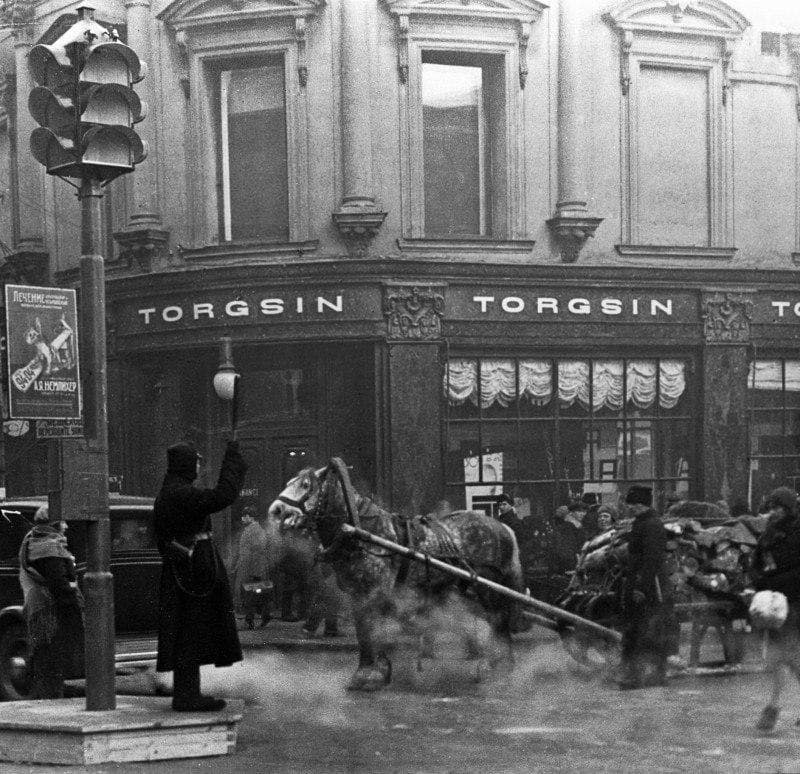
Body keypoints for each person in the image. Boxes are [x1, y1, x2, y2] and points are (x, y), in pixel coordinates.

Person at [154, 440, 247, 712]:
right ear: (184, 464)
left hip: (186, 570)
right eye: (195, 461)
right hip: (193, 573)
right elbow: (223, 496)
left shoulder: (170, 492)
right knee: (191, 632)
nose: (197, 466)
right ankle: (187, 696)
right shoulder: (180, 493)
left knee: (188, 633)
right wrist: (232, 460)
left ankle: (188, 694)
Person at [18, 504, 85, 699]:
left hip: (41, 606)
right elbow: (59, 583)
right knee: (51, 658)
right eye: (63, 522)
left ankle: (49, 697)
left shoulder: (35, 539)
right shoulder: (48, 546)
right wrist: (76, 612)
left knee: (46, 657)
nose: (66, 526)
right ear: (55, 523)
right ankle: (50, 700)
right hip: (50, 609)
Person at [750, 486, 800, 732]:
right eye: (773, 507)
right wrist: (758, 580)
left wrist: (773, 582)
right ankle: (774, 706)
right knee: (787, 657)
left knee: (786, 656)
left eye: (780, 507)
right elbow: (757, 561)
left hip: (794, 602)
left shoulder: (797, 532)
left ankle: (773, 706)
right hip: (775, 604)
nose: (775, 512)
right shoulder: (769, 533)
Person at [619, 484, 673, 690]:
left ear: (641, 505)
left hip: (650, 588)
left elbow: (651, 559)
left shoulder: (650, 525)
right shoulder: (643, 523)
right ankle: (648, 674)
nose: (630, 508)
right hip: (644, 583)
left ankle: (639, 675)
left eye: (633, 504)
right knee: (641, 631)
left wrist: (641, 587)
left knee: (644, 631)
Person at [233, 505, 271, 630]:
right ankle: (263, 616)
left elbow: (255, 549)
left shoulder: (254, 530)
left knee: (249, 593)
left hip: (252, 568)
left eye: (244, 516)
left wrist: (243, 566)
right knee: (256, 593)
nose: (242, 519)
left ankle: (251, 620)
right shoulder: (254, 529)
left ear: (249, 517)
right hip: (255, 567)